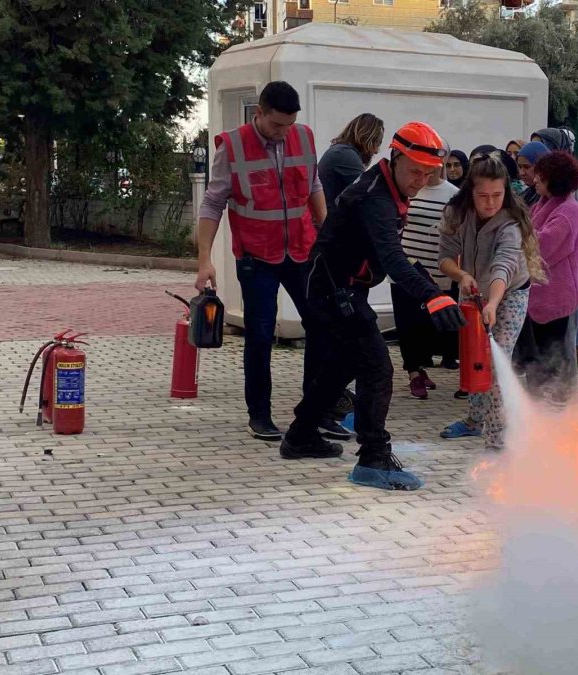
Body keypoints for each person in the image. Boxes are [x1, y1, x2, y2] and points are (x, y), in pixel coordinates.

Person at [279, 122, 465, 490]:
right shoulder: (375, 197)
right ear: (394, 158)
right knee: (377, 369)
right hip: (332, 290)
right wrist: (432, 295)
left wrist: (431, 289)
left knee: (342, 366)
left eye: (429, 174)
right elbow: (393, 258)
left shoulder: (390, 188)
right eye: (415, 171)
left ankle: (300, 436)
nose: (420, 180)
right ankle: (373, 458)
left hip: (342, 288)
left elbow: (395, 257)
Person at [196, 81, 349, 443]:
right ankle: (260, 417)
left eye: (289, 124)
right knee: (261, 335)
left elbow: (313, 187)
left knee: (322, 325)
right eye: (277, 125)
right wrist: (204, 260)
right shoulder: (232, 146)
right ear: (259, 113)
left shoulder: (304, 137)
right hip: (256, 254)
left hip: (301, 250)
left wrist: (326, 238)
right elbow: (213, 202)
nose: (283, 132)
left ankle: (317, 410)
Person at [438, 155, 545, 449]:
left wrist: (493, 303)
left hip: (508, 294)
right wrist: (461, 275)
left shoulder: (510, 222)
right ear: (470, 192)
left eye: (497, 195)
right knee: (474, 355)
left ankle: (498, 440)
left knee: (497, 365)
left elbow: (504, 266)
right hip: (471, 288)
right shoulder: (455, 212)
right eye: (483, 196)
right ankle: (474, 420)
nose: (490, 202)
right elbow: (444, 257)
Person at [517, 151, 578, 401]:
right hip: (538, 296)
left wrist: (518, 239)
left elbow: (543, 246)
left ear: (554, 180)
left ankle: (553, 404)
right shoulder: (543, 204)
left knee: (552, 356)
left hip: (556, 298)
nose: (534, 179)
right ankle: (538, 398)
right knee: (537, 356)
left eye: (540, 176)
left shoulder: (569, 212)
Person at [392, 157, 460, 398]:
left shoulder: (454, 194)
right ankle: (413, 372)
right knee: (408, 324)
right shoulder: (409, 191)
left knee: (430, 325)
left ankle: (423, 365)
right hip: (407, 268)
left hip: (439, 270)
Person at [318, 113, 385, 211]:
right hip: (328, 220)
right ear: (367, 138)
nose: (376, 151)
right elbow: (369, 194)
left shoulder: (341, 150)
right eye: (377, 143)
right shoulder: (346, 155)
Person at [515, 141, 549, 207]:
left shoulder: (549, 198)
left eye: (526, 167)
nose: (522, 173)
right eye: (519, 167)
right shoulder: (524, 196)